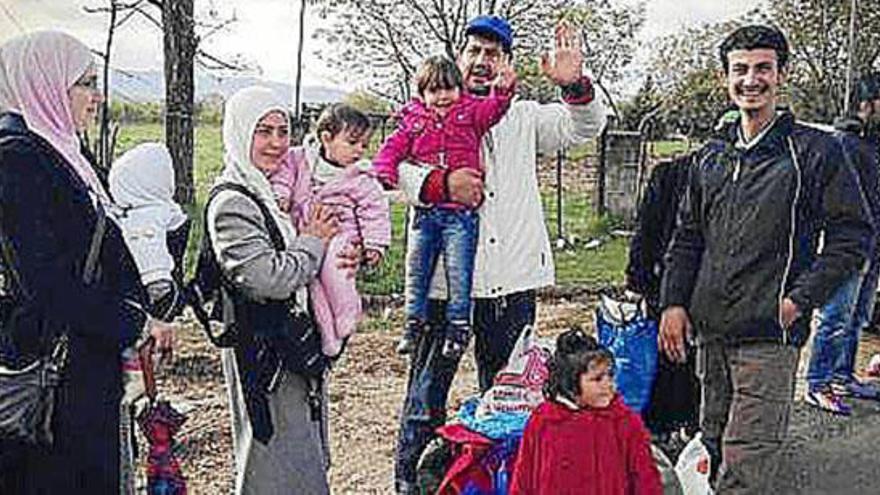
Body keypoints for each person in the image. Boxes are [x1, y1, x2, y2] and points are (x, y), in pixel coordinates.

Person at [392, 16, 607, 493]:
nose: (483, 62)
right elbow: (390, 172)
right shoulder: (423, 112)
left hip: (508, 285)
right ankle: (411, 485)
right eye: (475, 51)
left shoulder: (524, 116)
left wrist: (574, 84)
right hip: (444, 287)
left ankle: (489, 483)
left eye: (494, 54)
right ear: (459, 56)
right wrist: (439, 183)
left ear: (506, 63)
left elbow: (585, 128)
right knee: (425, 401)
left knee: (506, 399)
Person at [659, 25, 873, 493]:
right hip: (710, 331)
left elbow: (853, 235)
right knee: (711, 447)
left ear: (782, 74)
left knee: (749, 461)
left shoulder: (816, 152)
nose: (750, 79)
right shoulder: (710, 157)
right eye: (740, 69)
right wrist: (673, 303)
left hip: (770, 334)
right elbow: (688, 236)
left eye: (762, 68)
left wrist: (798, 301)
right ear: (725, 79)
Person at [0, 31, 150, 493]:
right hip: (58, 374)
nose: (97, 97)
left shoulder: (61, 150)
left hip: (85, 364)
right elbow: (47, 281)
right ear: (43, 84)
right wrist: (131, 321)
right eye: (85, 83)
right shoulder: (18, 159)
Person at [208, 85, 340, 494]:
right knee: (275, 465)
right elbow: (270, 279)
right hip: (262, 356)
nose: (277, 143)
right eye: (263, 131)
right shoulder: (232, 202)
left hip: (286, 350)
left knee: (296, 461)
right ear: (240, 132)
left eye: (283, 131)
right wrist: (314, 243)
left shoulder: (267, 192)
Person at [373, 54, 515, 358]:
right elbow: (390, 152)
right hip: (425, 214)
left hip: (460, 216)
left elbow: (494, 110)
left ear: (459, 89)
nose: (442, 97)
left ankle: (459, 326)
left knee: (458, 271)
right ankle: (413, 322)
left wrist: (503, 90)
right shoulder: (412, 123)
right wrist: (384, 175)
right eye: (434, 90)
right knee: (416, 268)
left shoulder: (470, 114)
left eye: (448, 89)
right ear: (422, 94)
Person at [270, 103, 391, 358]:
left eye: (364, 145)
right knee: (314, 290)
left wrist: (375, 245)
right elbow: (283, 175)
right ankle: (329, 337)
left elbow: (374, 210)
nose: (360, 150)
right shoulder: (300, 159)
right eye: (353, 142)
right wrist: (281, 195)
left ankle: (348, 311)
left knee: (335, 270)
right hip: (305, 236)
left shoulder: (360, 176)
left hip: (340, 235)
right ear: (326, 138)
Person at [109, 142, 189, 493]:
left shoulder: (143, 216)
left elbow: (152, 268)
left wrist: (158, 307)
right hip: (146, 322)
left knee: (131, 389)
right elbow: (160, 272)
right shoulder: (156, 215)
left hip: (140, 318)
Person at [805, 72, 880, 414]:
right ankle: (817, 383)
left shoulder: (873, 144)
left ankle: (843, 376)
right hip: (848, 246)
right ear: (867, 104)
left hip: (874, 245)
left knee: (859, 316)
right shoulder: (842, 142)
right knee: (835, 315)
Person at [509, 329, 662, 494]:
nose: (608, 384)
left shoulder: (623, 421)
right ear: (570, 383)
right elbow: (524, 476)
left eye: (610, 376)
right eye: (597, 379)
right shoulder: (544, 420)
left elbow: (645, 477)